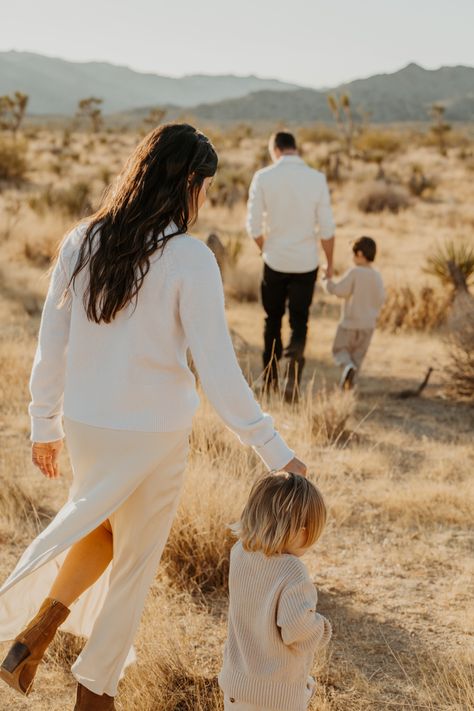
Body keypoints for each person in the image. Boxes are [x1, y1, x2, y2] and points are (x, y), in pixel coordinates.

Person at [0, 124, 306, 711]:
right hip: (154, 434)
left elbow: (51, 343)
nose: (205, 200)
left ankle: (32, 639)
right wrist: (274, 450)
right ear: (186, 183)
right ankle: (95, 695)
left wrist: (45, 424)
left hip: (89, 426)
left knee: (100, 531)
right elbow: (218, 371)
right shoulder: (189, 258)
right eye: (207, 188)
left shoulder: (83, 240)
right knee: (134, 566)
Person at [219, 472, 331, 711]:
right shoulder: (292, 571)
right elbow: (297, 630)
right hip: (275, 697)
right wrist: (321, 628)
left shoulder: (239, 552)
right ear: (301, 532)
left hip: (236, 686)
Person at [246, 131, 336, 399]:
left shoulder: (263, 177)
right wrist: (329, 265)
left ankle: (269, 380)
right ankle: (292, 382)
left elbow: (252, 225)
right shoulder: (317, 179)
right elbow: (327, 229)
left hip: (274, 262)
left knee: (271, 321)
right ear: (295, 148)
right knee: (300, 322)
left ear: (275, 149)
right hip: (306, 264)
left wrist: (266, 249)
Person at [325, 236, 385, 389]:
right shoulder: (377, 276)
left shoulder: (355, 272)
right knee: (358, 358)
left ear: (359, 254)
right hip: (368, 325)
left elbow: (340, 291)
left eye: (353, 254)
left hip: (349, 323)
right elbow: (381, 299)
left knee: (340, 351)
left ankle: (347, 369)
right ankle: (348, 387)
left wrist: (327, 282)